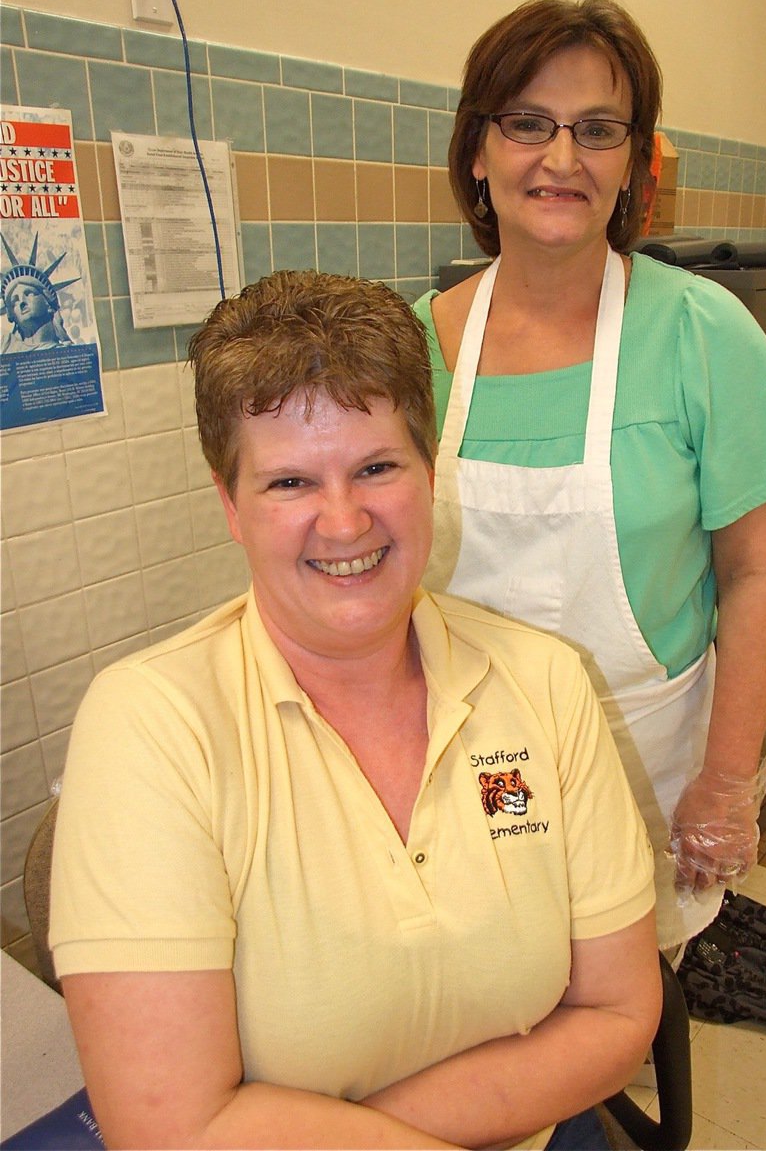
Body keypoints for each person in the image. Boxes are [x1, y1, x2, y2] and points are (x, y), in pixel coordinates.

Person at [49, 269, 660, 1151]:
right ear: (230, 505)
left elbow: (616, 1012)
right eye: (290, 484)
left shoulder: (546, 682)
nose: (344, 523)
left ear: (428, 472)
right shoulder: (152, 726)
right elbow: (166, 1125)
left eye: (377, 467)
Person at [413, 0, 766, 952]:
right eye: (527, 122)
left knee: (616, 1006)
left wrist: (728, 780)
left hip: (642, 759)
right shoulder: (412, 345)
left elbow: (756, 572)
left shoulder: (701, 332)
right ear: (478, 151)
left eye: (597, 130)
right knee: (480, 986)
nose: (561, 158)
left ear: (634, 163)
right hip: (467, 761)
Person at [1, 262, 74, 353]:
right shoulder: (5, 346)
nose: (21, 302)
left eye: (29, 293)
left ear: (47, 302)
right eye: (14, 301)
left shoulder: (72, 354)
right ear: (12, 316)